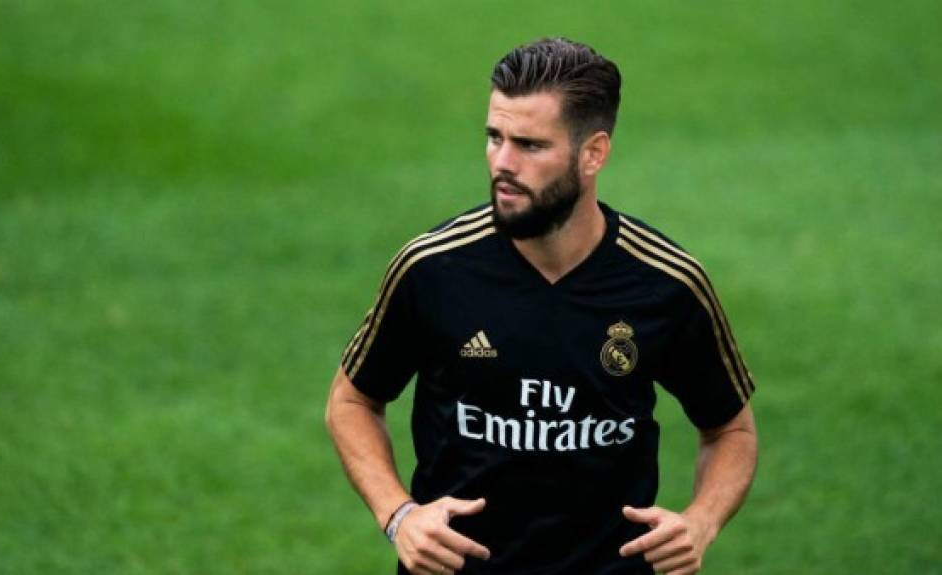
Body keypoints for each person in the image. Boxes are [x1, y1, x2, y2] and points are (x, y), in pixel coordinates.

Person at [325, 37, 758, 575]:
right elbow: (351, 401)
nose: (501, 164)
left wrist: (701, 520)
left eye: (529, 145)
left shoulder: (665, 284)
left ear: (593, 153)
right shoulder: (433, 270)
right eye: (494, 137)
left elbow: (730, 430)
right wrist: (400, 515)